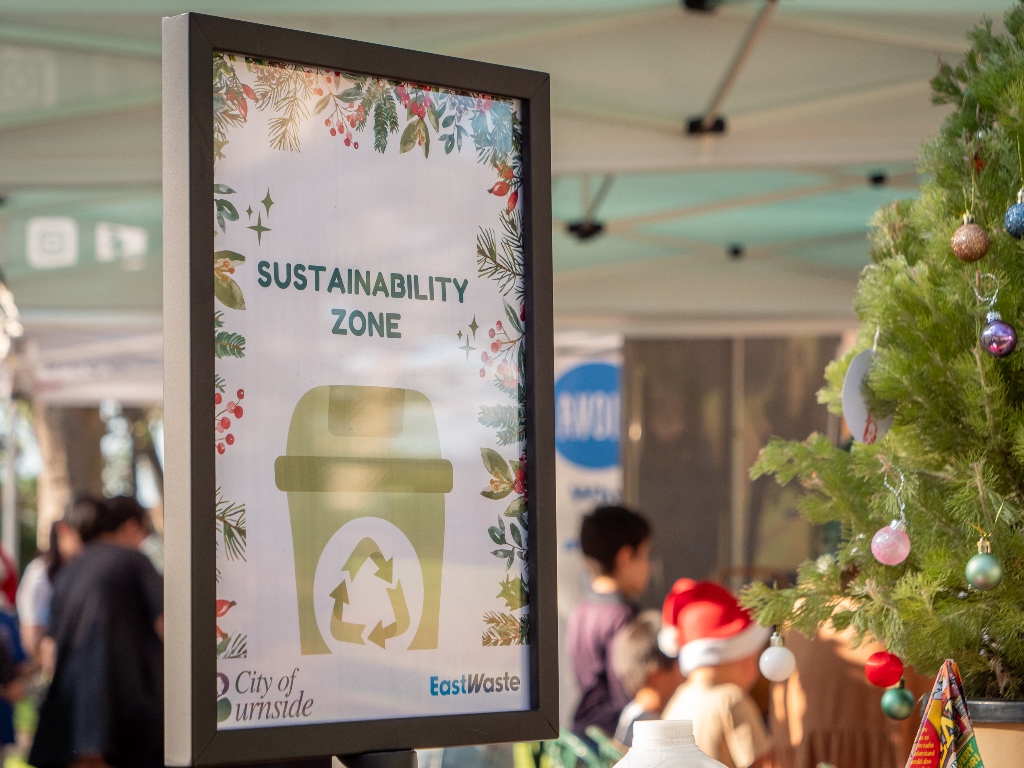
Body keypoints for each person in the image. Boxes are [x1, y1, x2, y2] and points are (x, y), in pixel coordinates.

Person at [29, 496, 164, 768]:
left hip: (72, 717)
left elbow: (49, 649)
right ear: (131, 527)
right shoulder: (134, 561)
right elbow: (167, 626)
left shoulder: (67, 572)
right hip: (131, 714)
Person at [660, 579, 772, 768]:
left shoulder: (677, 701)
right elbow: (763, 764)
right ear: (740, 656)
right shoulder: (731, 700)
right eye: (755, 658)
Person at [567, 505, 652, 738]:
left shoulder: (581, 610)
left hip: (584, 733)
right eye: (645, 555)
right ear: (625, 557)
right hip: (612, 739)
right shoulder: (622, 616)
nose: (649, 566)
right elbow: (625, 688)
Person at [17, 497, 96, 666]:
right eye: (81, 535)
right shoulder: (40, 573)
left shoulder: (84, 570)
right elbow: (32, 636)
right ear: (63, 530)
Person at [610, 610, 685, 747]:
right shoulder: (646, 730)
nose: (684, 673)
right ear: (655, 674)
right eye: (678, 662)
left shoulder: (631, 714)